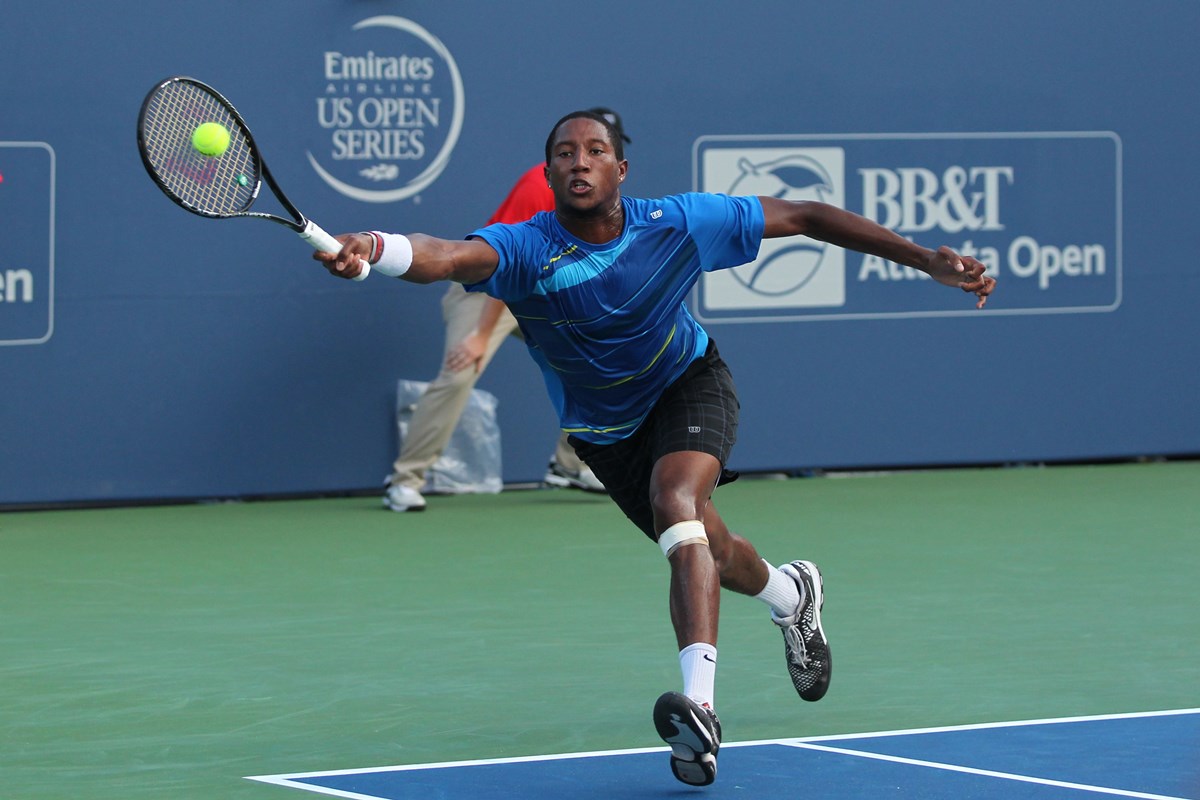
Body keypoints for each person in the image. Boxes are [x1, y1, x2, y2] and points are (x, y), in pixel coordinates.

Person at [316, 110, 995, 786]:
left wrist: (924, 260)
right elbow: (443, 255)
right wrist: (375, 246)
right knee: (710, 549)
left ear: (620, 169)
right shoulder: (525, 249)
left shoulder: (677, 223)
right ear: (548, 173)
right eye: (564, 153)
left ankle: (701, 710)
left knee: (677, 503)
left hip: (687, 384)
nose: (579, 161)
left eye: (594, 150)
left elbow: (807, 216)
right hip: (606, 433)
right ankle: (792, 594)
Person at [382, 108, 630, 512]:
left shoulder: (603, 199)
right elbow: (503, 265)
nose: (587, 160)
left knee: (601, 360)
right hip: (485, 289)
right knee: (460, 372)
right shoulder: (540, 184)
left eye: (601, 150)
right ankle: (405, 480)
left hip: (541, 290)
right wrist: (480, 337)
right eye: (577, 150)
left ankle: (569, 464)